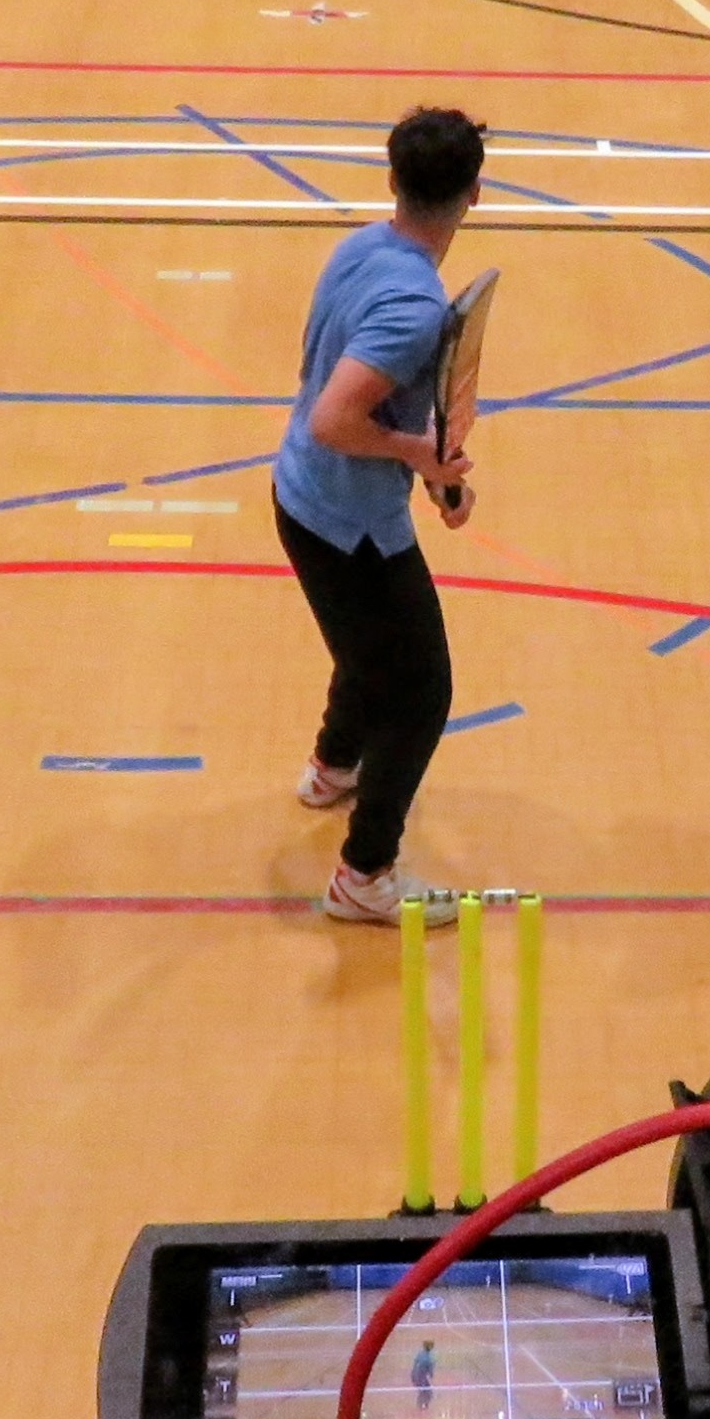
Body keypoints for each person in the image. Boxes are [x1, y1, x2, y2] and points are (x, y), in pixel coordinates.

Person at [279, 106, 488, 924]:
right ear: (475, 193)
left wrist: (427, 461)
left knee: (370, 651)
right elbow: (336, 416)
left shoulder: (362, 246)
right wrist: (417, 458)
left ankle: (334, 767)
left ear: (393, 180)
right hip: (346, 523)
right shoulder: (415, 308)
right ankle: (364, 874)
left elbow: (323, 369)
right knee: (421, 691)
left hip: (304, 495)